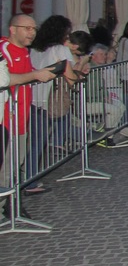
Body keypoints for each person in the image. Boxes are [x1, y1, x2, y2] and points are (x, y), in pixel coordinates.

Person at [2, 15, 60, 215]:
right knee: (7, 166)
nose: (32, 33)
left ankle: (10, 205)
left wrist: (42, 72)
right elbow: (6, 78)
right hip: (6, 118)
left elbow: (26, 73)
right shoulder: (4, 49)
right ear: (12, 29)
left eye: (34, 29)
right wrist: (35, 75)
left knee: (14, 164)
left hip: (21, 116)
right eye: (26, 28)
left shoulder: (24, 51)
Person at [26, 16, 90, 193]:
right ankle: (30, 181)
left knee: (34, 142)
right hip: (48, 99)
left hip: (34, 98)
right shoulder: (60, 49)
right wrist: (83, 64)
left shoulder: (36, 49)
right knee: (38, 143)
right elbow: (71, 78)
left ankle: (28, 177)